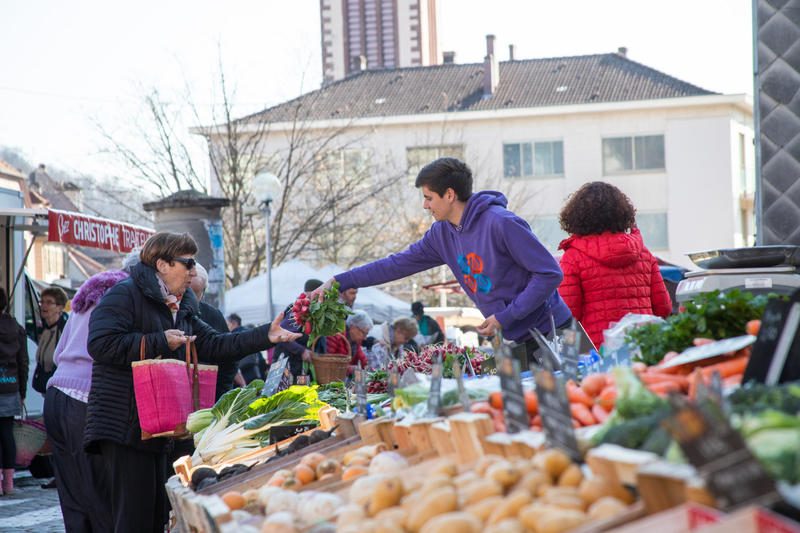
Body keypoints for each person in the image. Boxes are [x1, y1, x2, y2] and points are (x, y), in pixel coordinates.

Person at [84, 232, 300, 533]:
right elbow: (100, 344)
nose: (193, 271)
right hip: (124, 424)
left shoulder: (179, 304)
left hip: (158, 426)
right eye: (188, 263)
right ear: (162, 264)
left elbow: (214, 344)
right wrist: (159, 341)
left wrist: (266, 336)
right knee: (134, 518)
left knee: (157, 514)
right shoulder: (125, 293)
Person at [313, 157, 571, 364]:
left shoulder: (501, 223)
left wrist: (506, 315)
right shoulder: (441, 234)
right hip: (514, 339)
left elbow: (549, 273)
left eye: (428, 197)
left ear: (449, 195)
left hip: (552, 330)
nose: (425, 206)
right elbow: (394, 265)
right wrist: (339, 281)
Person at [44, 270, 127, 531]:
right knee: (97, 488)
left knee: (71, 490)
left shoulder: (86, 297)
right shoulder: (123, 297)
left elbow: (60, 350)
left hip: (57, 393)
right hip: (84, 395)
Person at [557, 181, 672, 347]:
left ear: (576, 217)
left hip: (600, 351)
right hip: (645, 345)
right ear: (623, 213)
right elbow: (664, 309)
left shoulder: (573, 257)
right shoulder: (643, 253)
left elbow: (568, 316)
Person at [189, 263, 238, 400]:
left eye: (196, 293)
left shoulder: (213, 315)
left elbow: (229, 357)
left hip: (211, 394)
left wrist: (221, 392)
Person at [0, 287, 28, 496]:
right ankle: (8, 483)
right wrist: (22, 391)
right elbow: (23, 362)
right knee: (7, 434)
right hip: (11, 387)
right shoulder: (17, 327)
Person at [274, 279, 326, 380]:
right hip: (285, 368)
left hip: (299, 369)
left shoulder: (313, 313)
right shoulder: (297, 310)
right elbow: (282, 335)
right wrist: (302, 351)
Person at [32, 286, 68, 396]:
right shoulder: (46, 329)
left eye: (49, 302)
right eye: (42, 302)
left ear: (60, 307)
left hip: (60, 388)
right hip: (47, 387)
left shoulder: (64, 329)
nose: (44, 305)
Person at [226, 314, 264, 384]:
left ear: (235, 323)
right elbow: (259, 353)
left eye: (228, 325)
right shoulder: (250, 332)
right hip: (254, 371)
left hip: (241, 373)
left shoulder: (232, 336)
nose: (227, 328)